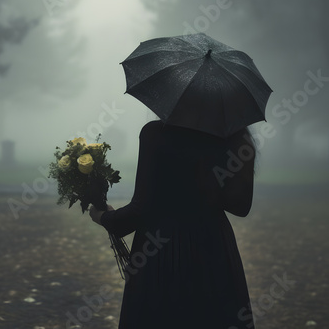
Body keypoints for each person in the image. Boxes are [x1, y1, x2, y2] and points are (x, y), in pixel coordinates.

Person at [89, 119, 256, 328]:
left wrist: (104, 217)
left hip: (162, 253)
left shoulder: (156, 133)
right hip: (215, 251)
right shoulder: (236, 137)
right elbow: (241, 207)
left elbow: (141, 210)